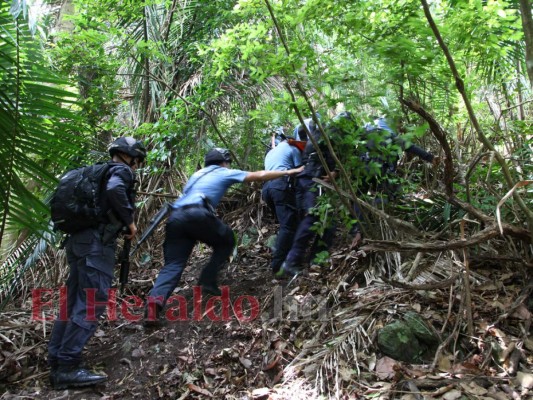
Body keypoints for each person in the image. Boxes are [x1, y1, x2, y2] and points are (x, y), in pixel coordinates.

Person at [144, 147, 303, 325]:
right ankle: (208, 279)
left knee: (173, 265)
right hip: (197, 214)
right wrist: (289, 171)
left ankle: (153, 309)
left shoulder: (196, 175)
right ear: (224, 162)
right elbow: (258, 175)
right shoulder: (223, 172)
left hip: (175, 218)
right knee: (227, 240)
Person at [47, 137, 146, 389]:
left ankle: (57, 358)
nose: (136, 166)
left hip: (78, 241)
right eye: (137, 161)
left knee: (73, 301)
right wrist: (130, 222)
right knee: (93, 301)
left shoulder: (95, 171)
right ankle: (67, 367)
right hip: (95, 244)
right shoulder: (120, 171)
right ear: (129, 156)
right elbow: (115, 190)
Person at [277, 112, 355, 277]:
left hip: (308, 178)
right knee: (314, 216)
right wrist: (335, 172)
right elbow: (333, 157)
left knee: (329, 222)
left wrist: (335, 171)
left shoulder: (321, 131)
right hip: (315, 179)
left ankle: (316, 259)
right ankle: (292, 261)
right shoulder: (330, 133)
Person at [262, 129, 304, 274]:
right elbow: (300, 171)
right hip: (281, 186)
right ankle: (279, 264)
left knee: (287, 225)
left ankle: (282, 252)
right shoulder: (293, 149)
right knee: (289, 226)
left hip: (267, 189)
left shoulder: (270, 152)